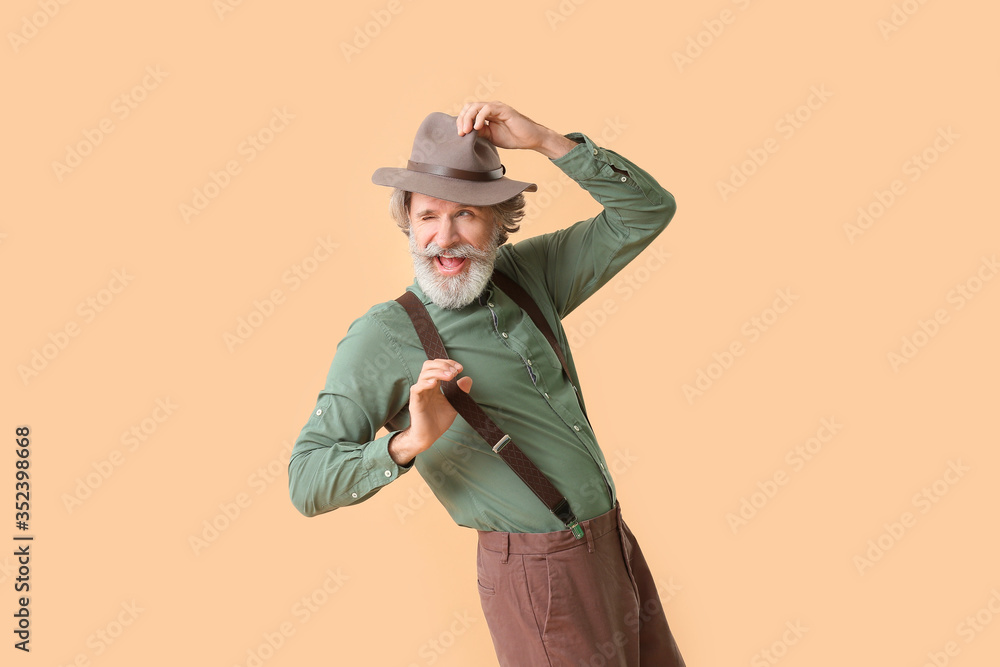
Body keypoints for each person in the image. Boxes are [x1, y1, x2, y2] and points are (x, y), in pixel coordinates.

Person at [288, 101, 686, 666]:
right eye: (428, 216)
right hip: (539, 575)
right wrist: (409, 442)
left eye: (466, 214)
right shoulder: (383, 335)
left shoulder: (529, 276)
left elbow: (647, 211)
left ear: (499, 221)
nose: (445, 238)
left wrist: (546, 140)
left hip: (612, 543)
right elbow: (306, 480)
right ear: (408, 223)